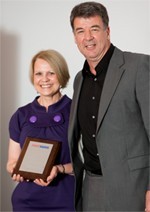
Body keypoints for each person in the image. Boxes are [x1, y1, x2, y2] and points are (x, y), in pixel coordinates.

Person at [68, 1, 150, 211]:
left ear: (107, 31)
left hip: (133, 188)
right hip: (91, 187)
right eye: (80, 31)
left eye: (94, 29)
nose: (88, 37)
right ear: (75, 37)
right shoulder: (79, 79)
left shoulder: (138, 67)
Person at [6, 49, 75, 211]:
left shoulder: (76, 111)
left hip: (65, 201)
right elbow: (11, 162)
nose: (44, 79)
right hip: (27, 202)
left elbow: (88, 162)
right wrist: (17, 170)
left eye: (51, 73)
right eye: (39, 74)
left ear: (61, 75)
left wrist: (59, 168)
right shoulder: (21, 115)